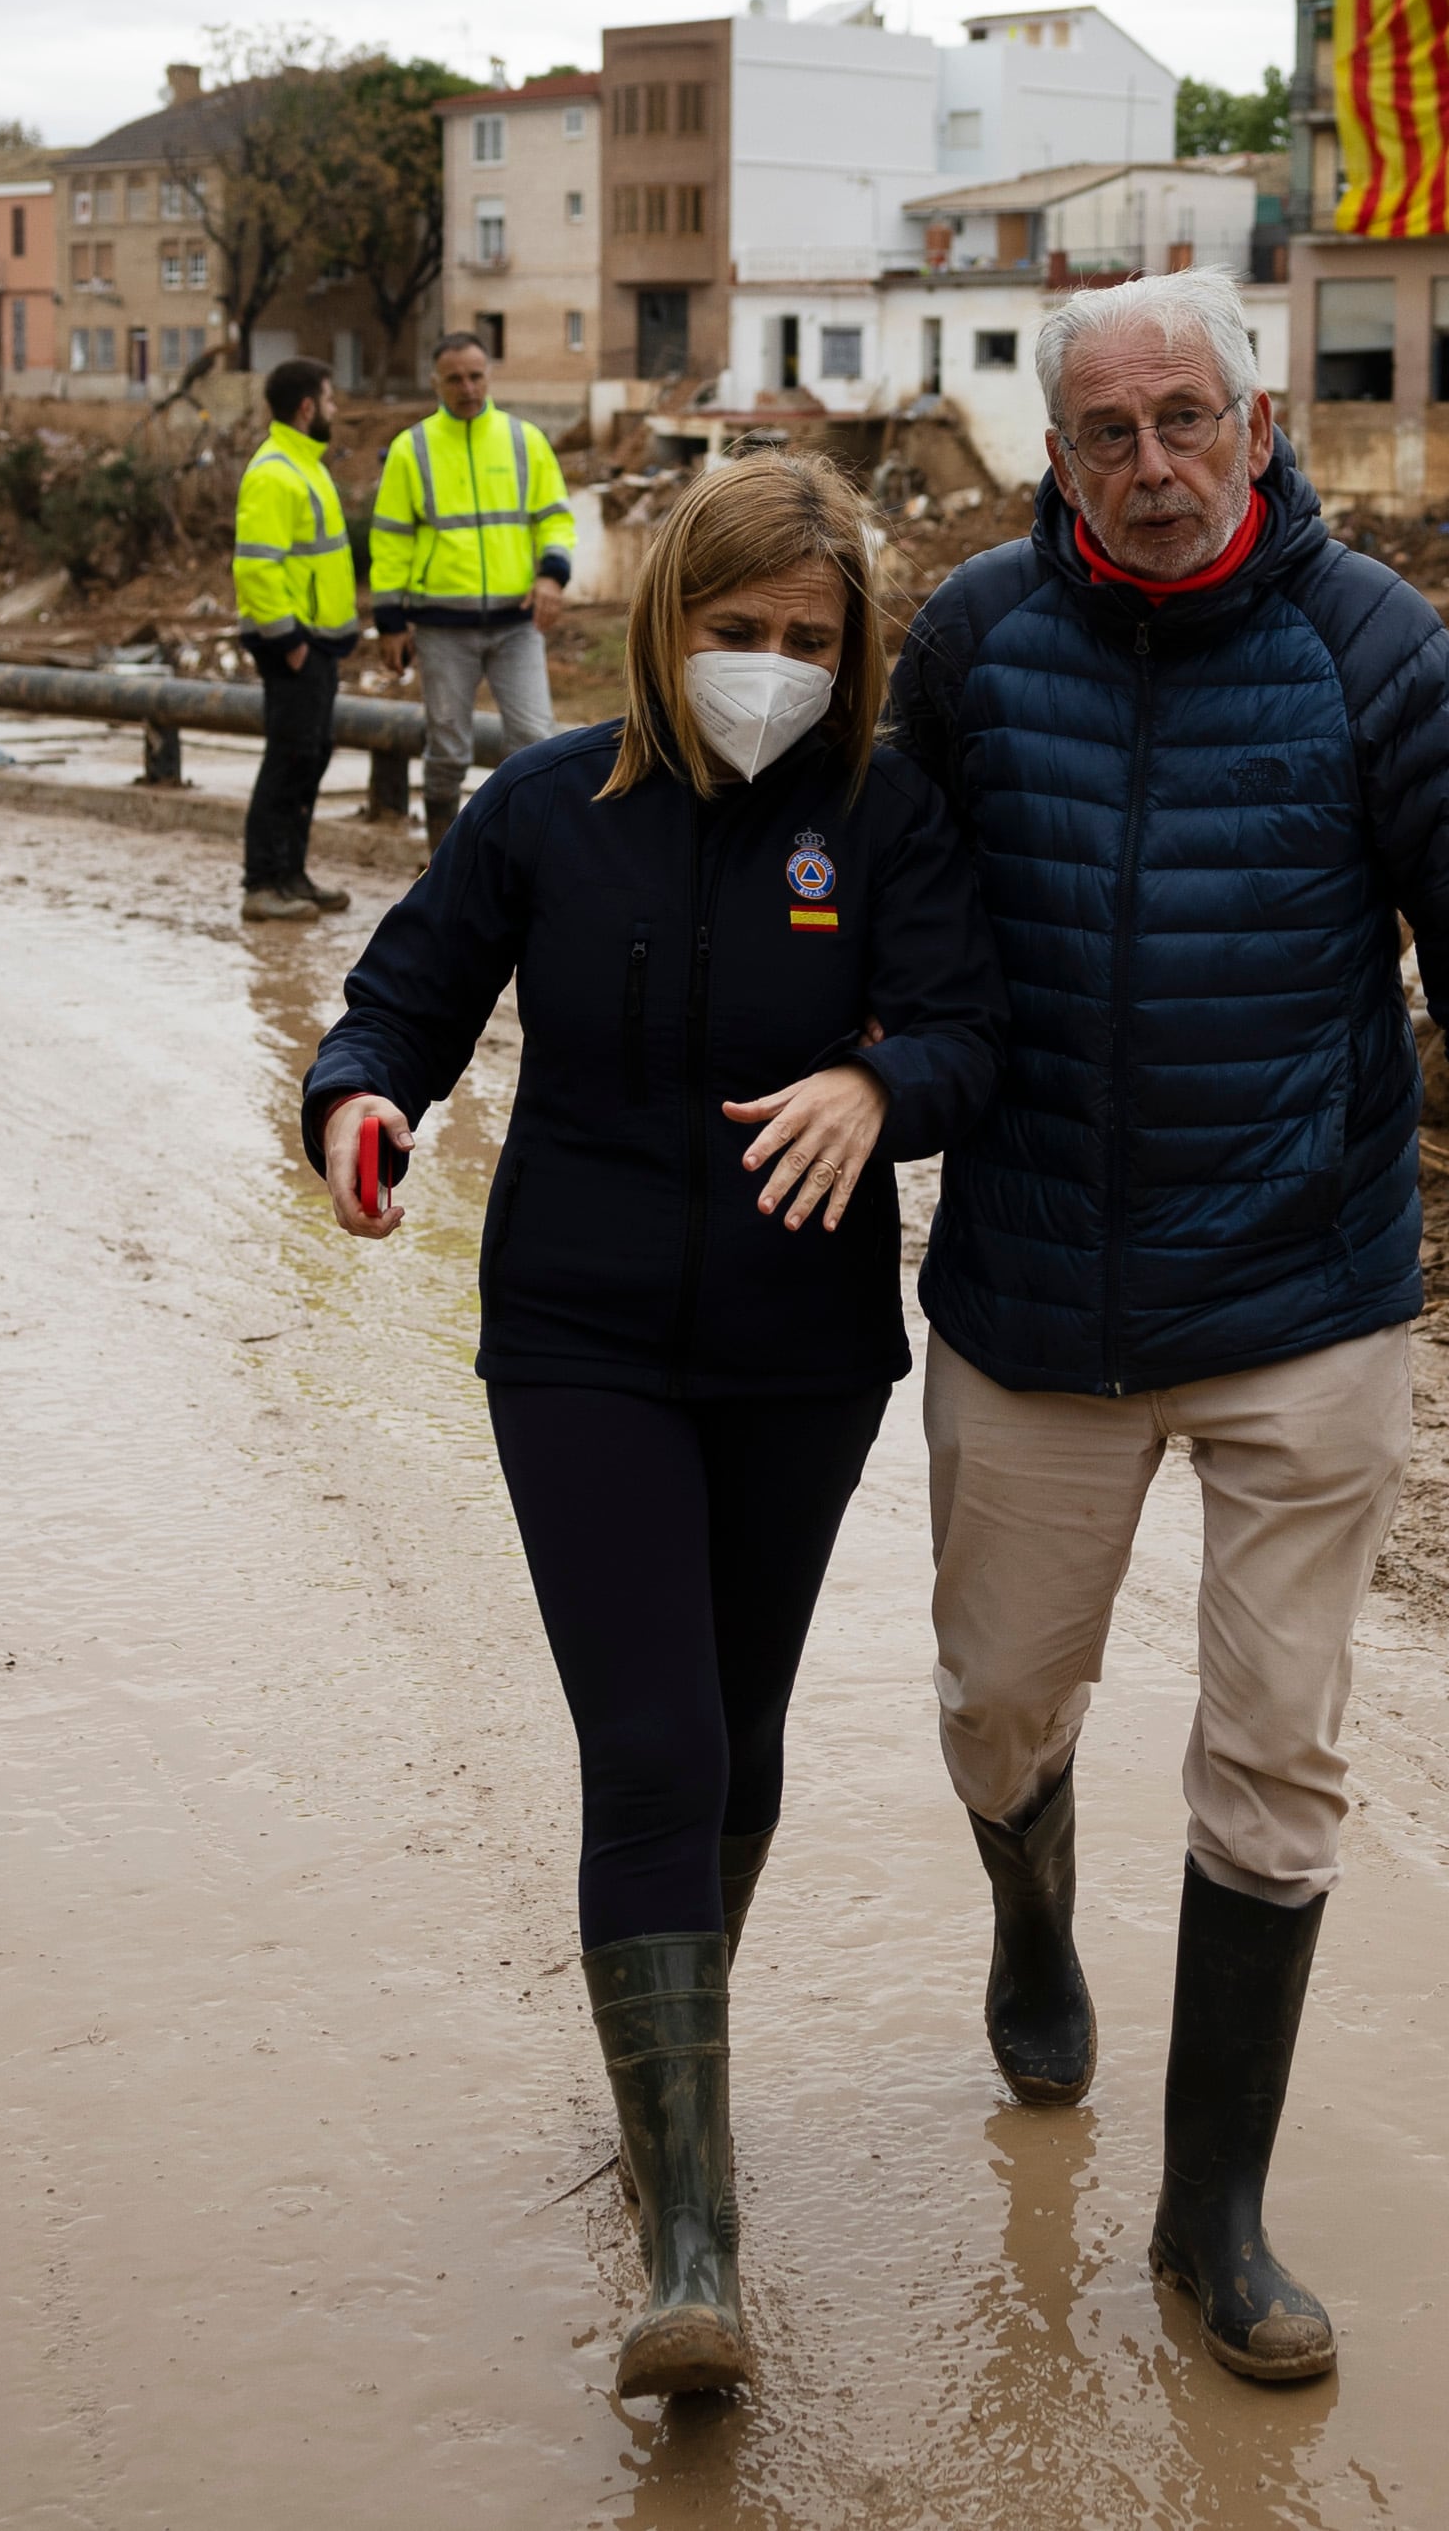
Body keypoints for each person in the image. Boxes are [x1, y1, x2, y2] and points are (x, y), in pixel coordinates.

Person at [885, 263, 1449, 2387]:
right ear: (1057, 450)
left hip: (1304, 1295)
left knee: (1275, 1743)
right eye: (1106, 429)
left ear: (1264, 419)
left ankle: (1213, 2213)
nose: (1151, 462)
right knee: (995, 1696)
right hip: (1030, 1290)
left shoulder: (1371, 647)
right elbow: (873, 918)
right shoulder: (965, 642)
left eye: (1185, 415)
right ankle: (1031, 1903)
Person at [300, 452, 999, 2404]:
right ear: (660, 615)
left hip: (800, 1349)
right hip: (578, 1338)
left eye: (805, 639)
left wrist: (881, 1086)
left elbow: (967, 1024)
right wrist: (356, 1103)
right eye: (732, 628)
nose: (766, 666)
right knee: (658, 1737)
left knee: (741, 1736)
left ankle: (668, 2080)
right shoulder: (540, 808)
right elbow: (399, 1005)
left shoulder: (881, 816)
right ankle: (693, 2231)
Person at [369, 329, 579, 833]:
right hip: (442, 627)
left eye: (476, 376)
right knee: (447, 749)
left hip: (517, 622)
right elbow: (391, 540)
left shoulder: (524, 440)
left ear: (489, 375)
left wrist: (552, 577)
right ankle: (441, 864)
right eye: (455, 379)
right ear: (436, 382)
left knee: (535, 740)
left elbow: (555, 518)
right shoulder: (410, 449)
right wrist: (390, 620)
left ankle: (525, 855)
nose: (467, 388)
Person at [233, 360, 359, 922]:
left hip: (318, 643)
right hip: (295, 645)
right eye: (330, 401)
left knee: (310, 756)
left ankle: (292, 874)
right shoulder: (275, 472)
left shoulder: (306, 466)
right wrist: (289, 641)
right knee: (288, 759)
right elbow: (256, 569)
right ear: (307, 407)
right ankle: (262, 884)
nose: (335, 410)